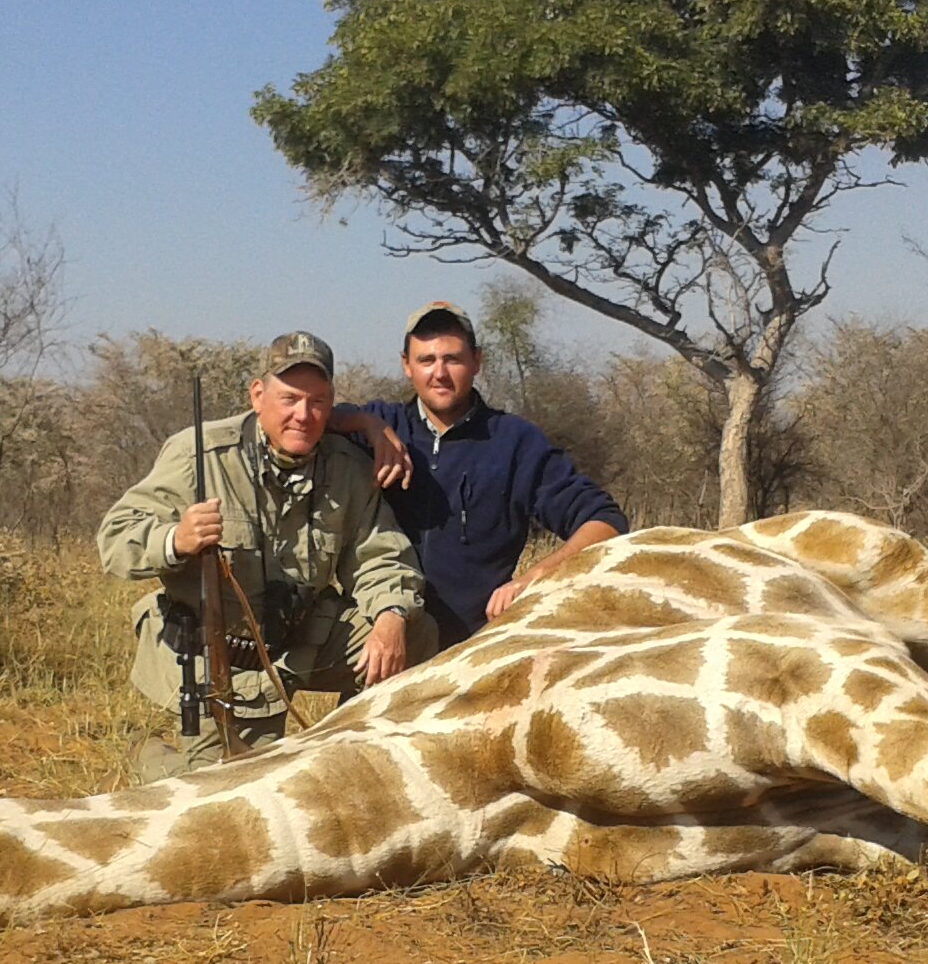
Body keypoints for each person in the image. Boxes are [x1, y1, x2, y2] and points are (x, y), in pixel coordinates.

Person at [98, 331, 436, 781]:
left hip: (297, 641)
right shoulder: (198, 452)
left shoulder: (345, 468)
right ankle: (156, 757)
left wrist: (392, 616)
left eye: (318, 402)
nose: (303, 415)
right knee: (227, 791)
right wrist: (175, 540)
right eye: (290, 398)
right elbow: (115, 539)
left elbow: (381, 557)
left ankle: (356, 762)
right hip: (214, 658)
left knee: (416, 632)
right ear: (258, 395)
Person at [328, 301, 629, 644]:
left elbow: (605, 521)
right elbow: (307, 419)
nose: (439, 373)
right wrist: (365, 424)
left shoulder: (515, 441)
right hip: (386, 648)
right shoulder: (384, 426)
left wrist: (535, 578)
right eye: (426, 360)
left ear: (477, 362)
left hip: (475, 651)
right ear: (406, 366)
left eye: (452, 359)